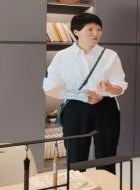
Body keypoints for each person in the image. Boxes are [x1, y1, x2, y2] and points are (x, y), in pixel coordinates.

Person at [43, 13, 127, 174]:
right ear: (76, 32)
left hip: (106, 108)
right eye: (90, 29)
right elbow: (49, 87)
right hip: (75, 108)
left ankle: (106, 187)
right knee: (76, 156)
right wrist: (81, 96)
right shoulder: (62, 56)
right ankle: (77, 188)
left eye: (99, 29)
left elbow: (121, 85)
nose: (96, 33)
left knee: (107, 154)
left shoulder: (110, 55)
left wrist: (110, 88)